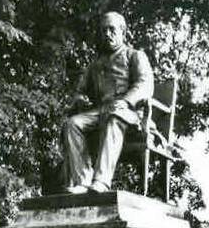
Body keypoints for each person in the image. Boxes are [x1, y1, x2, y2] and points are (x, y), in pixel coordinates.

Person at [61, 12, 154, 193]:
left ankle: (101, 182)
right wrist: (79, 99)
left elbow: (144, 84)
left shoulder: (135, 56)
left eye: (112, 30)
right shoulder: (95, 65)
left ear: (123, 33)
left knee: (115, 115)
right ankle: (83, 181)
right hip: (100, 111)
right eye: (104, 31)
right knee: (72, 124)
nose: (107, 34)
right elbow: (80, 90)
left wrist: (126, 101)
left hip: (130, 113)